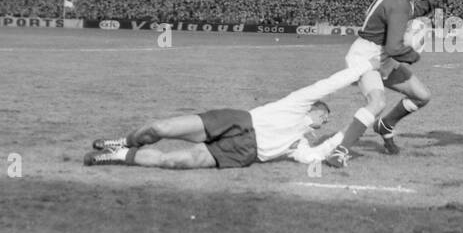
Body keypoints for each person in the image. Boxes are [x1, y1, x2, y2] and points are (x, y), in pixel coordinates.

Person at [83, 66, 362, 169]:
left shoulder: (299, 144)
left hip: (245, 152)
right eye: (324, 114)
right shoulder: (297, 103)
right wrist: (361, 69)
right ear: (315, 107)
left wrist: (362, 121)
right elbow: (327, 85)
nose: (325, 121)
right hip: (238, 120)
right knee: (160, 128)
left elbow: (315, 156)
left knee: (174, 161)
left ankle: (119, 155)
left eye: (326, 121)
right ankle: (125, 140)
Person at [334, 0, 446, 157]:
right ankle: (340, 150)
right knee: (377, 102)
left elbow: (412, 11)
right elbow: (395, 48)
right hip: (366, 57)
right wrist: (414, 55)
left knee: (422, 96)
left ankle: (386, 125)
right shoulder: (398, 1)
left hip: (383, 56)